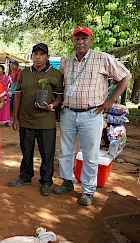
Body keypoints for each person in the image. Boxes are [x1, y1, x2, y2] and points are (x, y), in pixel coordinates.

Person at [53, 26, 131, 206]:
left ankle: (88, 190)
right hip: (68, 113)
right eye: (77, 39)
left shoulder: (102, 58)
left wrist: (110, 101)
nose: (80, 42)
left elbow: (126, 76)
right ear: (73, 41)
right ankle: (67, 181)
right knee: (65, 151)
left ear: (90, 40)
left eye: (84, 38)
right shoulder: (66, 61)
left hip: (92, 114)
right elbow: (59, 84)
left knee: (90, 154)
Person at [9, 43, 63, 196]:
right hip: (26, 120)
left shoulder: (56, 74)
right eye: (35, 54)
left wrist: (51, 106)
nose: (38, 57)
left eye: (42, 54)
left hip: (46, 121)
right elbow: (18, 95)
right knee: (26, 151)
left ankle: (46, 181)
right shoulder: (24, 73)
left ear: (47, 57)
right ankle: (25, 177)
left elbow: (59, 96)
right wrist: (15, 117)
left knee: (47, 153)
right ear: (32, 56)